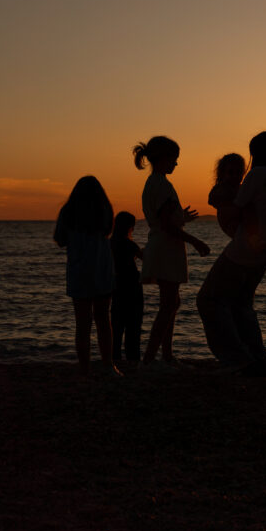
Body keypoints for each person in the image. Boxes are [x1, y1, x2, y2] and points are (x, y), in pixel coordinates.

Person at [197, 131, 266, 376]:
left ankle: (235, 358)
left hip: (244, 249)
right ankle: (259, 363)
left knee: (209, 300)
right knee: (242, 305)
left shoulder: (257, 175)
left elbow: (237, 207)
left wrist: (222, 206)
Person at [133, 135, 210, 367]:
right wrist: (195, 241)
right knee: (168, 305)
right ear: (164, 158)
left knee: (172, 303)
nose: (176, 163)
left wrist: (181, 218)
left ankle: (166, 356)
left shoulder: (154, 184)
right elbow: (167, 226)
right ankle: (150, 359)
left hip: (162, 246)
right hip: (166, 248)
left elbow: (165, 220)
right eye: (174, 158)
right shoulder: (162, 185)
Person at [53, 175, 120, 376]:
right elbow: (108, 231)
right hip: (102, 269)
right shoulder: (104, 210)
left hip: (79, 271)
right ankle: (108, 365)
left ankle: (85, 369)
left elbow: (60, 239)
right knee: (103, 320)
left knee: (82, 323)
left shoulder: (68, 212)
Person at [208, 152, 266, 258]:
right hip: (232, 224)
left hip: (242, 222)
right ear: (222, 174)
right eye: (230, 172)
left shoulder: (240, 187)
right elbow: (212, 200)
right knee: (249, 207)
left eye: (238, 172)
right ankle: (257, 240)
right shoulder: (222, 188)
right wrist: (235, 201)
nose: (235, 176)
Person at [110, 211, 143, 363]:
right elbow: (145, 258)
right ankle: (133, 357)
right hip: (132, 286)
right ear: (129, 227)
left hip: (116, 286)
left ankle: (114, 356)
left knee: (116, 324)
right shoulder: (130, 245)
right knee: (133, 325)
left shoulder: (110, 243)